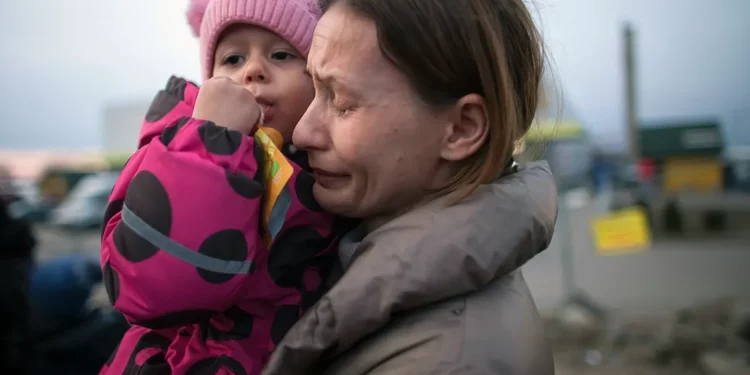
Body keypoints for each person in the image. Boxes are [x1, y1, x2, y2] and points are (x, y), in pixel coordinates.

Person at [261, 0, 558, 374]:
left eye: (342, 102)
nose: (303, 133)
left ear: (461, 129)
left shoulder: (452, 361)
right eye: (314, 89)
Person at [99, 0, 352, 373]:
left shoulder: (327, 169)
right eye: (232, 60)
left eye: (281, 54)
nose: (252, 71)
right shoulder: (174, 149)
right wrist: (209, 142)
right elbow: (147, 285)